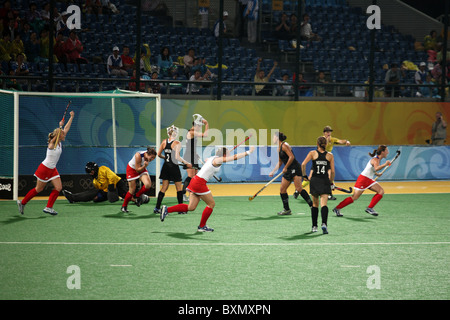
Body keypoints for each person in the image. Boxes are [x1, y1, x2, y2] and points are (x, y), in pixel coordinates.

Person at [160, 145, 255, 232]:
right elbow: (234, 157)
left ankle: (167, 209)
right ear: (225, 155)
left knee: (191, 207)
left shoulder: (213, 158)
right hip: (199, 183)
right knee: (211, 204)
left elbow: (207, 160)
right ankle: (202, 226)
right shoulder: (217, 160)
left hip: (195, 180)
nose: (230, 155)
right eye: (228, 154)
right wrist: (248, 152)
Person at [17, 110, 75, 216]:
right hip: (45, 168)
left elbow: (66, 129)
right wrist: (59, 129)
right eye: (62, 134)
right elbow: (52, 141)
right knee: (39, 189)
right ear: (58, 136)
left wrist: (71, 117)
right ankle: (22, 203)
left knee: (58, 188)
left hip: (52, 169)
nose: (64, 135)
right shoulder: (51, 145)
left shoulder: (60, 142)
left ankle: (49, 207)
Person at [332, 145, 391, 217]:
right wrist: (385, 164)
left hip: (368, 179)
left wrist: (376, 174)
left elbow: (371, 169)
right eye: (386, 151)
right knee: (355, 197)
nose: (388, 152)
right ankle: (337, 208)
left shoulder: (377, 159)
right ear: (382, 152)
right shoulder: (375, 159)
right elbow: (376, 168)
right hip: (363, 180)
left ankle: (370, 208)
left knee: (381, 191)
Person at [295, 125, 350, 201]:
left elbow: (340, 141)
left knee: (329, 176)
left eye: (330, 132)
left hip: (327, 161)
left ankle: (329, 194)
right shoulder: (321, 140)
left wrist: (346, 141)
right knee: (310, 178)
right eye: (327, 132)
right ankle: (298, 189)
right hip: (318, 160)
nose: (329, 133)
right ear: (324, 133)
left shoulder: (332, 140)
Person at [269, 132, 312, 215]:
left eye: (273, 137)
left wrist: (285, 167)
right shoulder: (278, 148)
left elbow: (291, 157)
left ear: (277, 138)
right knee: (282, 190)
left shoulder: (284, 145)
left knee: (299, 189)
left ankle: (312, 205)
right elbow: (280, 161)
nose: (273, 139)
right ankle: (287, 209)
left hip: (295, 168)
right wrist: (273, 171)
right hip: (288, 170)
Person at [154, 125, 192, 214]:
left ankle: (157, 208)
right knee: (179, 188)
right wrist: (186, 163)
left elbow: (159, 154)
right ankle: (181, 209)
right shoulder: (177, 143)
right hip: (174, 167)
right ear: (175, 133)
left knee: (164, 188)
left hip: (166, 167)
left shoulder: (164, 142)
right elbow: (177, 157)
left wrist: (166, 158)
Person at [301, 136, 335, 234]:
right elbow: (332, 171)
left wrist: (304, 176)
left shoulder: (312, 153)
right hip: (325, 181)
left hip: (314, 181)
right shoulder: (330, 155)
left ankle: (314, 226)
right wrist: (331, 182)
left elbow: (303, 164)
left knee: (315, 204)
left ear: (317, 144)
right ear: (326, 144)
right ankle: (324, 224)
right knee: (324, 204)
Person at [62, 162, 138, 204]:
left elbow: (113, 177)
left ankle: (140, 198)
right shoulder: (95, 181)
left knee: (129, 197)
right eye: (89, 173)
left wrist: (111, 187)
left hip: (117, 184)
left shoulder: (103, 169)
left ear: (94, 169)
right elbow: (101, 190)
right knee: (94, 196)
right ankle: (73, 198)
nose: (91, 174)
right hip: (107, 191)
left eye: (91, 171)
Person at [121, 147, 157, 213]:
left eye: (153, 158)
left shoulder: (148, 155)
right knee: (132, 190)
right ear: (147, 154)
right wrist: (145, 166)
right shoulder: (138, 156)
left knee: (148, 185)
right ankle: (124, 206)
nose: (152, 159)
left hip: (141, 168)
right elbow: (137, 170)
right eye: (151, 157)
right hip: (132, 169)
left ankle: (137, 196)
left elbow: (140, 169)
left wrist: (144, 166)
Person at [182, 115, 209, 201]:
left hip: (193, 155)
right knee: (191, 176)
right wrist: (207, 124)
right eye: (200, 126)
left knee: (195, 176)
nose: (200, 128)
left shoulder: (193, 132)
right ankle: (182, 194)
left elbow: (190, 145)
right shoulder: (192, 132)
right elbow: (205, 135)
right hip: (189, 156)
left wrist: (195, 153)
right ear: (196, 125)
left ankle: (193, 194)